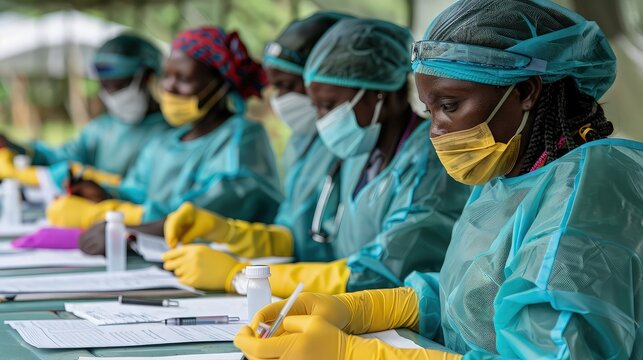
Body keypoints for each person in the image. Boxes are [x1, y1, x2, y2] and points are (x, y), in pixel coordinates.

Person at [234, 1, 642, 359]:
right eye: (430, 111)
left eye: (450, 105)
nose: (436, 130)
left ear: (527, 91)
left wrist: (358, 354)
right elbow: (473, 295)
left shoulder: (587, 188)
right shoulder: (512, 173)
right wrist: (362, 309)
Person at [162, 18, 470, 297]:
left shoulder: (430, 165)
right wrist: (228, 232)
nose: (321, 120)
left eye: (328, 105)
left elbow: (377, 273)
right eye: (316, 105)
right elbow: (313, 243)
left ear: (382, 94)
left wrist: (241, 277)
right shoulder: (357, 156)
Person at [46, 26, 282, 229]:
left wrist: (127, 219)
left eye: (184, 78)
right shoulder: (164, 143)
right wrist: (105, 194)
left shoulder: (242, 138)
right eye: (167, 76)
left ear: (220, 83)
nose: (169, 87)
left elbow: (206, 212)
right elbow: (136, 192)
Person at [0, 33, 170, 196]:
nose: (111, 95)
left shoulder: (172, 135)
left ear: (147, 77)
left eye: (119, 86)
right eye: (105, 86)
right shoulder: (101, 129)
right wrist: (15, 147)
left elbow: (146, 193)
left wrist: (107, 192)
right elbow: (61, 159)